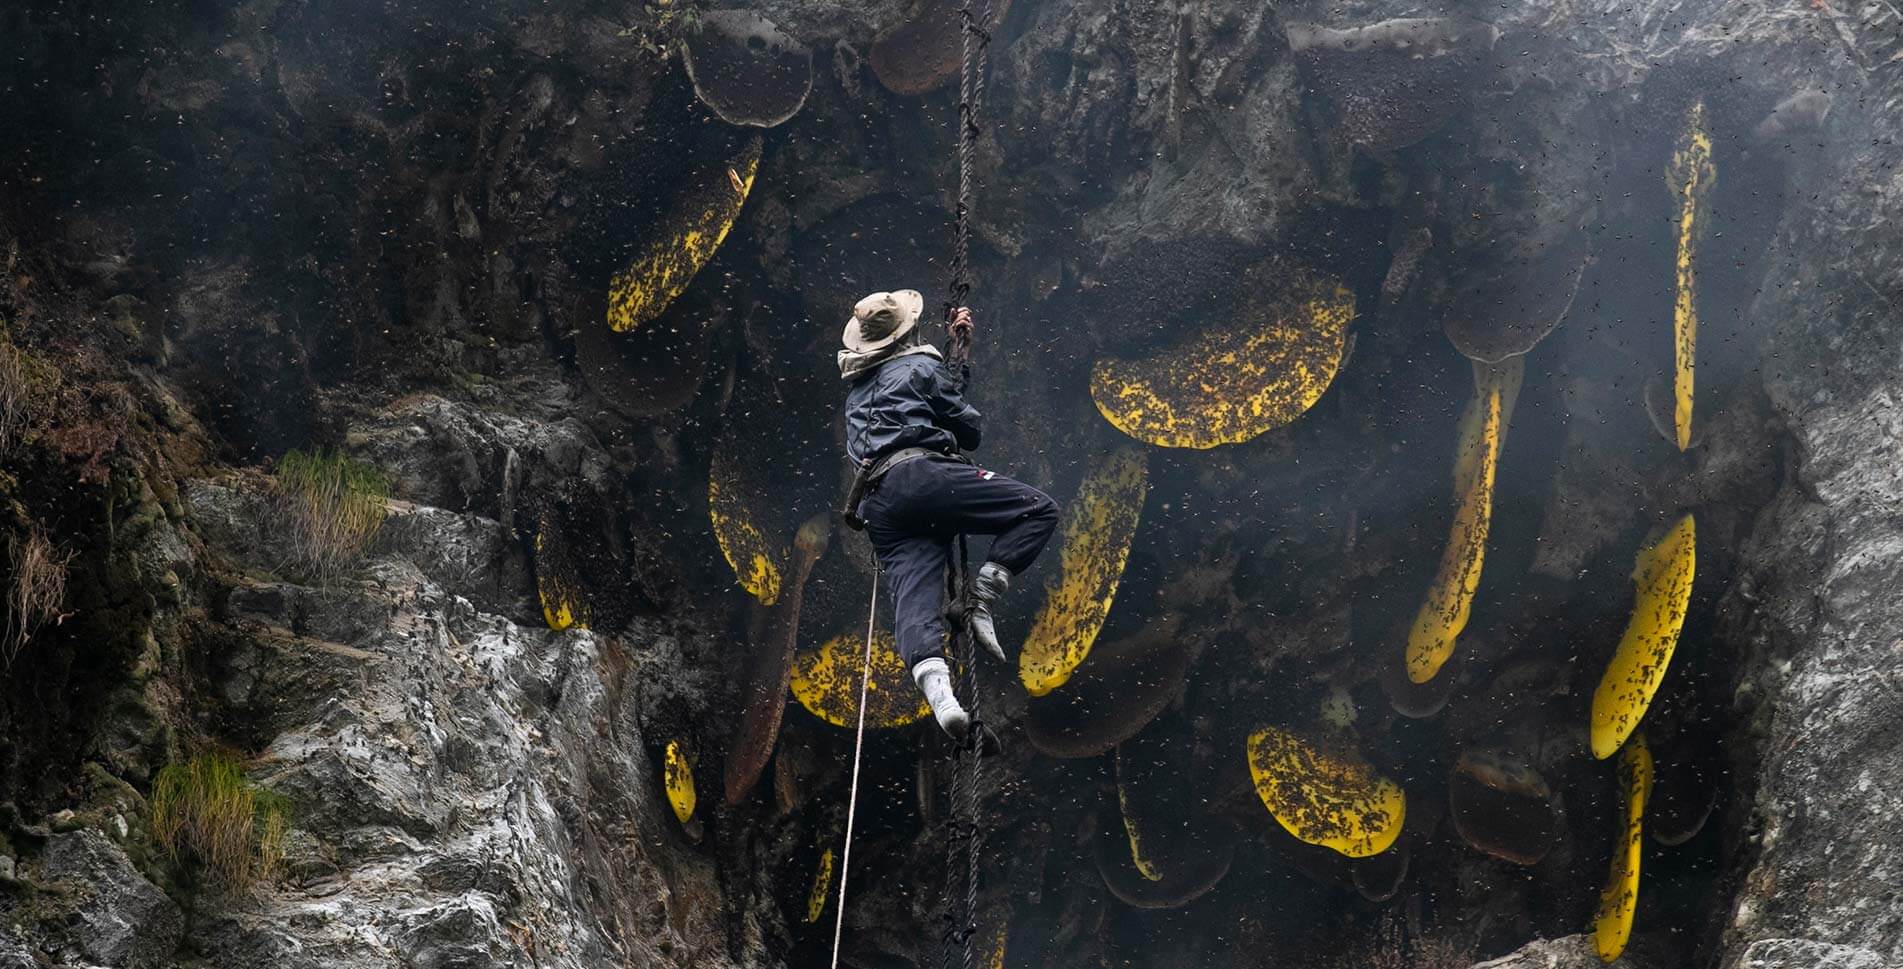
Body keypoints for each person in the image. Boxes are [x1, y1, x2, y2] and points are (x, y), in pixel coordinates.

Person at [838, 290, 1060, 739]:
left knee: (915, 597)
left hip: (879, 504)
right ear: (908, 331)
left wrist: (953, 361)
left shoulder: (855, 397)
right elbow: (968, 429)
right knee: (1038, 510)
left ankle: (943, 701)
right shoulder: (920, 367)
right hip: (924, 478)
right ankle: (981, 598)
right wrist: (955, 362)